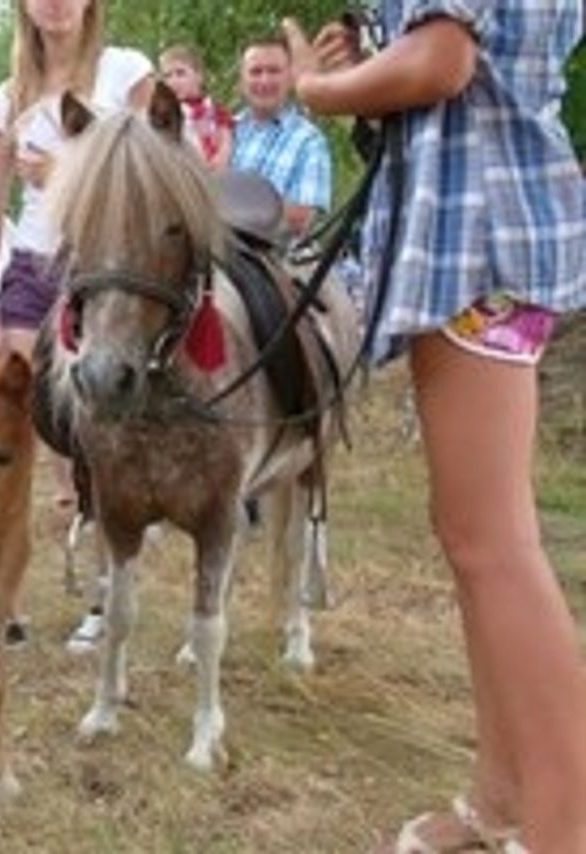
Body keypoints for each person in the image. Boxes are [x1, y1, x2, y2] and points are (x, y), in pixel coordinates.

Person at [283, 4, 586, 851]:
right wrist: (370, 68)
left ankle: (565, 828)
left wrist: (322, 86)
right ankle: (502, 798)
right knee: (477, 538)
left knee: (493, 543)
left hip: (477, 231)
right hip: (488, 225)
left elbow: (441, 64)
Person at [0, 0, 153, 648]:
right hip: (32, 265)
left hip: (104, 270)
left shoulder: (126, 72)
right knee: (11, 431)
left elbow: (148, 173)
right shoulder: (7, 97)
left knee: (95, 437)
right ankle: (3, 598)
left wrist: (63, 170)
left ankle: (105, 598)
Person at [230, 34, 331, 237]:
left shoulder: (310, 140)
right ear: (242, 80)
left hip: (275, 260)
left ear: (290, 78)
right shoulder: (225, 130)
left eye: (274, 71)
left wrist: (224, 203)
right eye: (255, 72)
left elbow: (302, 219)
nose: (265, 80)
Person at [158, 43, 233, 169]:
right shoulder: (166, 113)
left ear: (199, 76)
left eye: (180, 73)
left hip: (217, 171)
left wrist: (221, 157)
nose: (173, 81)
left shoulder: (213, 108)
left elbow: (226, 137)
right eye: (167, 76)